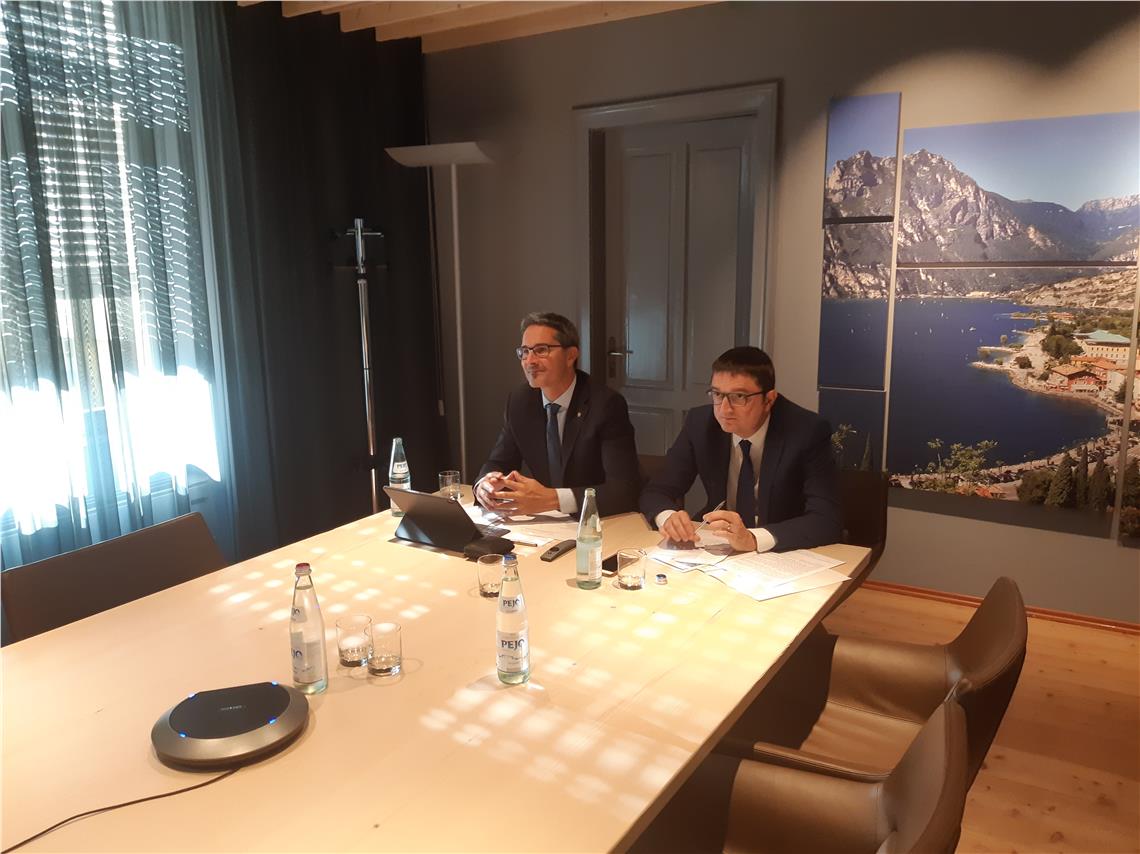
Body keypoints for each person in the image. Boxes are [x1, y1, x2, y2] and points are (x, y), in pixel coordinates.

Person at [640, 346, 841, 552]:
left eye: (739, 397)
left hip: (781, 548)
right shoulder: (700, 424)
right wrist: (668, 517)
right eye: (717, 394)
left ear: (769, 400)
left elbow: (826, 519)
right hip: (717, 543)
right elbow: (657, 491)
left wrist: (753, 539)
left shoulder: (807, 431)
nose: (724, 409)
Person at [476, 312, 640, 517]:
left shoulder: (605, 404)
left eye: (541, 350)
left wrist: (553, 499)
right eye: (525, 351)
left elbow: (622, 489)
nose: (530, 361)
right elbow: (499, 461)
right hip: (545, 523)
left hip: (594, 521)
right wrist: (485, 484)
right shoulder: (520, 401)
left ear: (571, 356)